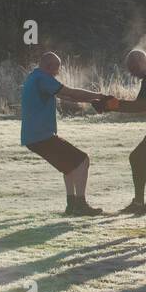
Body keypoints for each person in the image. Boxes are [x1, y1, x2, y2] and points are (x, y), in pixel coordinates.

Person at [19, 51, 108, 216]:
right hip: (41, 136)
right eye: (56, 69)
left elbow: (65, 96)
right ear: (49, 67)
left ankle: (71, 205)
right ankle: (80, 205)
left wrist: (91, 101)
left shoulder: (34, 77)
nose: (58, 73)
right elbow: (70, 92)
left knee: (69, 167)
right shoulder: (43, 78)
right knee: (82, 160)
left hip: (33, 137)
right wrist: (100, 96)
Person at [95, 49, 146, 215]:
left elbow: (141, 106)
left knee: (144, 160)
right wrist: (111, 104)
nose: (133, 76)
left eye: (134, 70)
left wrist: (111, 105)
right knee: (137, 158)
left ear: (141, 63)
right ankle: (142, 203)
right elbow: (139, 105)